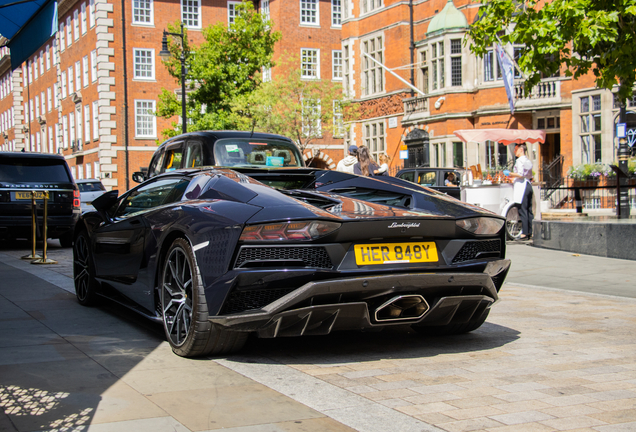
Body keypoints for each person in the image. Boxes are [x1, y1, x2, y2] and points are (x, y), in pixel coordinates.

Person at [503, 143, 533, 241]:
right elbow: (529, 175)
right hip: (528, 185)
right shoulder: (528, 161)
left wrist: (510, 173)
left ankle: (524, 234)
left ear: (521, 149)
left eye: (516, 150)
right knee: (529, 210)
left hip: (522, 186)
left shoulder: (520, 161)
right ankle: (530, 231)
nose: (514, 152)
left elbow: (520, 174)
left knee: (522, 210)